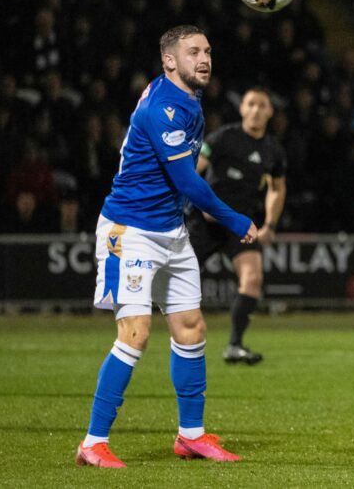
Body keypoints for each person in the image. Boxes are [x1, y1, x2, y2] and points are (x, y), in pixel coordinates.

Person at [76, 25, 258, 469]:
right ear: (169, 61)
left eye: (209, 51)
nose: (205, 58)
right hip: (131, 230)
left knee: (192, 328)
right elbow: (186, 180)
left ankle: (191, 436)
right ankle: (92, 443)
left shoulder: (187, 100)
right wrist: (235, 219)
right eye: (193, 51)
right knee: (135, 334)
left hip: (171, 230)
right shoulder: (164, 109)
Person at [187, 87, 287, 364]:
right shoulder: (222, 138)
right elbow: (192, 170)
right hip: (205, 220)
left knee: (253, 278)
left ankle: (235, 345)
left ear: (269, 112)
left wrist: (270, 224)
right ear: (242, 108)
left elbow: (277, 189)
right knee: (177, 279)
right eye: (251, 104)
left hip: (240, 223)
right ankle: (139, 328)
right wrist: (194, 201)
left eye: (261, 105)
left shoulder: (273, 150)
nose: (256, 109)